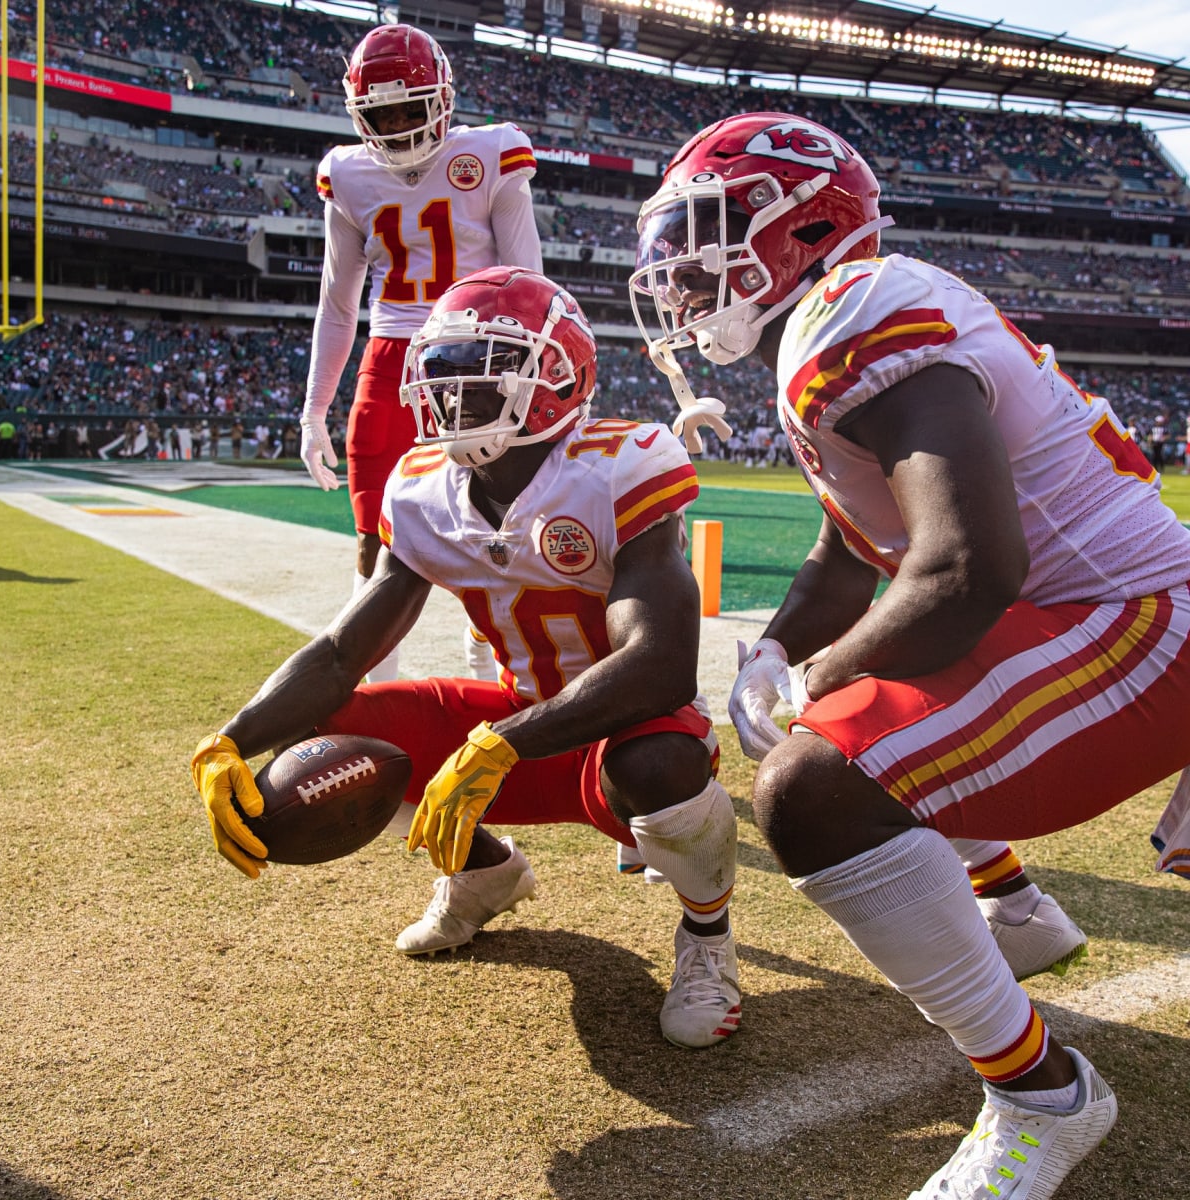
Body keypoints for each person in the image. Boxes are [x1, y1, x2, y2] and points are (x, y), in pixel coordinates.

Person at [629, 112, 1190, 1197]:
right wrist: (784, 642)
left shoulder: (855, 310)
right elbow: (857, 546)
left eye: (710, 229)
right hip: (1097, 610)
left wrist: (816, 682)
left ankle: (1042, 1095)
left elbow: (963, 572)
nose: (683, 269)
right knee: (873, 707)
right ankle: (1020, 910)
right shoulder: (842, 320)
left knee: (817, 781)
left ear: (804, 226)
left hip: (1140, 620)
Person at [192, 268, 741, 1050]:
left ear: (555, 373)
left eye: (483, 364)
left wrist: (500, 744)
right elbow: (347, 650)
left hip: (622, 734)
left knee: (659, 767)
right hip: (517, 725)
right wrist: (230, 740)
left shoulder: (622, 460)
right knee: (330, 729)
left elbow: (660, 666)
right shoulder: (421, 487)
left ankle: (708, 941)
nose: (454, 388)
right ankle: (484, 872)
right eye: (444, 368)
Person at [298, 23, 544, 685]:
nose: (401, 125)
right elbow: (338, 301)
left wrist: (537, 375)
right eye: (383, 113)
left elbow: (529, 282)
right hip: (392, 357)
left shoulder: (491, 154)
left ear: (443, 100)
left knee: (495, 531)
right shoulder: (347, 174)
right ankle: (377, 698)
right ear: (360, 116)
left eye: (413, 108)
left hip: (482, 355)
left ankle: (497, 686)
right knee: (373, 540)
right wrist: (313, 411)